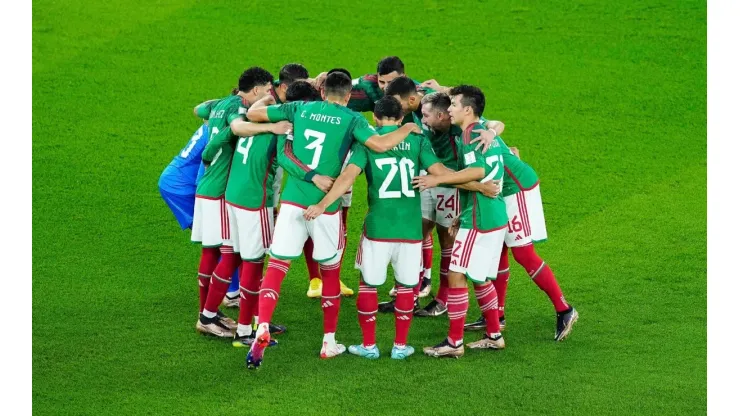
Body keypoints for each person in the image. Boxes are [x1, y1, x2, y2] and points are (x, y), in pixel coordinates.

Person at [244, 72, 422, 368]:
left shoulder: (298, 108)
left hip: (293, 201)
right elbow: (378, 146)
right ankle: (329, 342)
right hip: (326, 208)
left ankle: (262, 324)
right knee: (330, 273)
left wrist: (274, 115)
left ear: (323, 92)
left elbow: (253, 112)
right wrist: (406, 131)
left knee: (276, 267)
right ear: (349, 95)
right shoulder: (354, 120)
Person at [303, 96, 499, 360]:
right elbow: (440, 172)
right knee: (407, 287)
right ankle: (400, 347)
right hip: (410, 230)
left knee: (369, 286)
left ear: (375, 116)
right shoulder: (418, 140)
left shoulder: (368, 143)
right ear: (401, 118)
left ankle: (369, 345)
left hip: (378, 227)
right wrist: (479, 186)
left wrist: (323, 204)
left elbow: (346, 178)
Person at [193, 67, 293, 338]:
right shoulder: (244, 114)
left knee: (227, 254)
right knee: (245, 258)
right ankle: (222, 320)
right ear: (259, 90)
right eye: (268, 90)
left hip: (223, 189)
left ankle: (213, 314)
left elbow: (199, 110)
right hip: (232, 194)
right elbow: (237, 126)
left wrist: (208, 153)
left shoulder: (224, 104)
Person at [414, 86, 509, 358]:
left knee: (456, 274)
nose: (450, 109)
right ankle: (494, 335)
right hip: (493, 213)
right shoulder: (481, 130)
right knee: (480, 278)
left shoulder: (468, 134)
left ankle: (454, 342)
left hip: (479, 219)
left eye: (454, 104)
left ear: (467, 109)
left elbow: (478, 171)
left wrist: (438, 178)